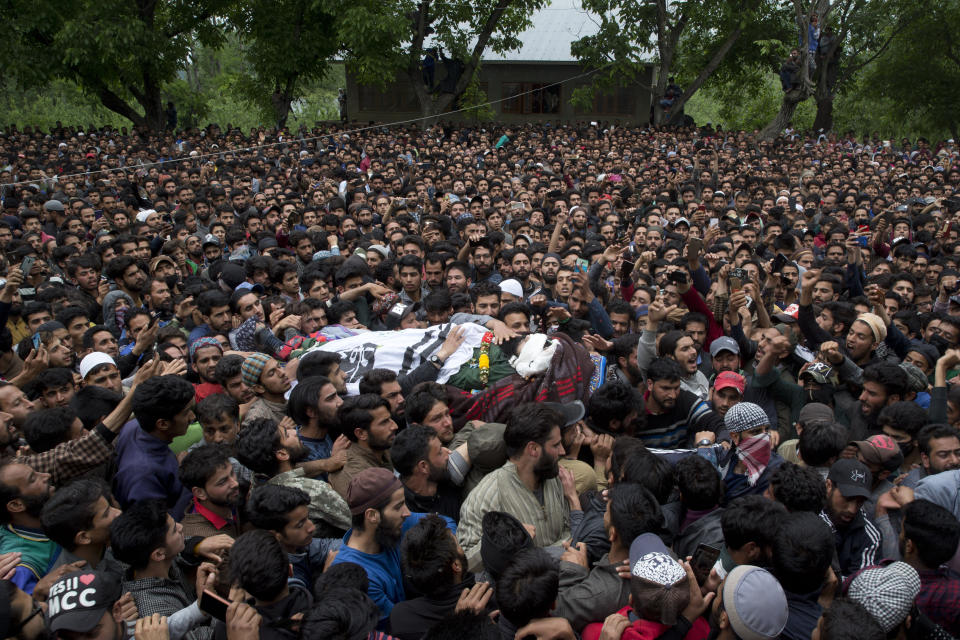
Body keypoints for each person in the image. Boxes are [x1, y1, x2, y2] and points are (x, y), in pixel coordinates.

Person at [234, 417, 351, 536]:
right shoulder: (314, 491)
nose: (295, 432)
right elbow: (355, 523)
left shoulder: (258, 477)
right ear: (282, 454)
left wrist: (327, 463)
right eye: (287, 435)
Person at [113, 375, 196, 519]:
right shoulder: (143, 475)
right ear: (162, 424)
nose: (192, 417)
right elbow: (158, 526)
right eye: (185, 413)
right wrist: (186, 478)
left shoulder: (134, 426)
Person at [329, 394, 398, 498]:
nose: (394, 426)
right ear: (361, 434)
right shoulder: (358, 480)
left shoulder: (381, 447)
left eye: (390, 419)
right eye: (384, 423)